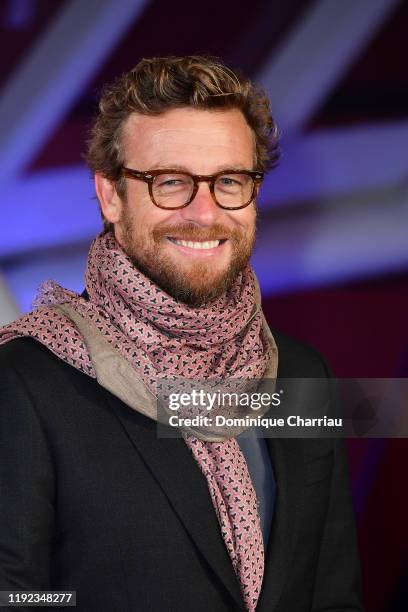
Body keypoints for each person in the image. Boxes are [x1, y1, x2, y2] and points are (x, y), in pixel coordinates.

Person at [0, 56, 363, 611]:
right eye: (170, 182)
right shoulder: (24, 382)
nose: (204, 211)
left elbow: (332, 596)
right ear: (111, 196)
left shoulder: (301, 372)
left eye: (229, 181)